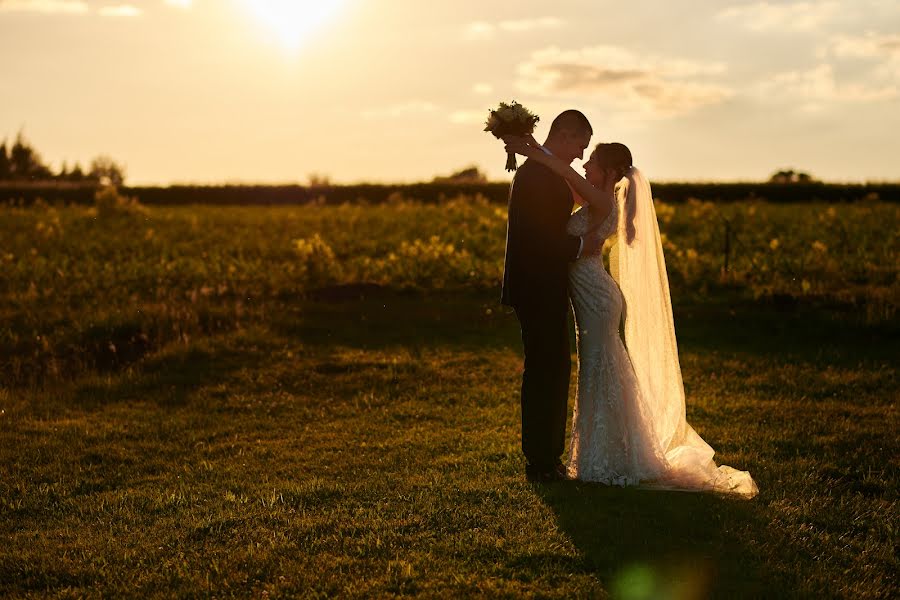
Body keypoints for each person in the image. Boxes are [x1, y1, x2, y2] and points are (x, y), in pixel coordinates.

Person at [504, 135, 758, 497]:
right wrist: (535, 147)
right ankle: (608, 453)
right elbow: (564, 183)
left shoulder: (602, 200)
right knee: (602, 370)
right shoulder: (597, 197)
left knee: (600, 370)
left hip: (596, 297)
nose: (583, 165)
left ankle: (611, 457)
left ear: (609, 172)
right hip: (595, 295)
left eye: (590, 161)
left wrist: (534, 151)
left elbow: (562, 171)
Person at [500, 110, 604, 483]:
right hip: (537, 285)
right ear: (564, 134)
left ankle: (546, 458)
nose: (579, 154)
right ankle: (541, 462)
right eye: (580, 144)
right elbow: (538, 238)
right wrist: (582, 245)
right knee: (547, 371)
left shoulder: (543, 169)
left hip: (542, 284)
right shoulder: (537, 176)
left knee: (552, 369)